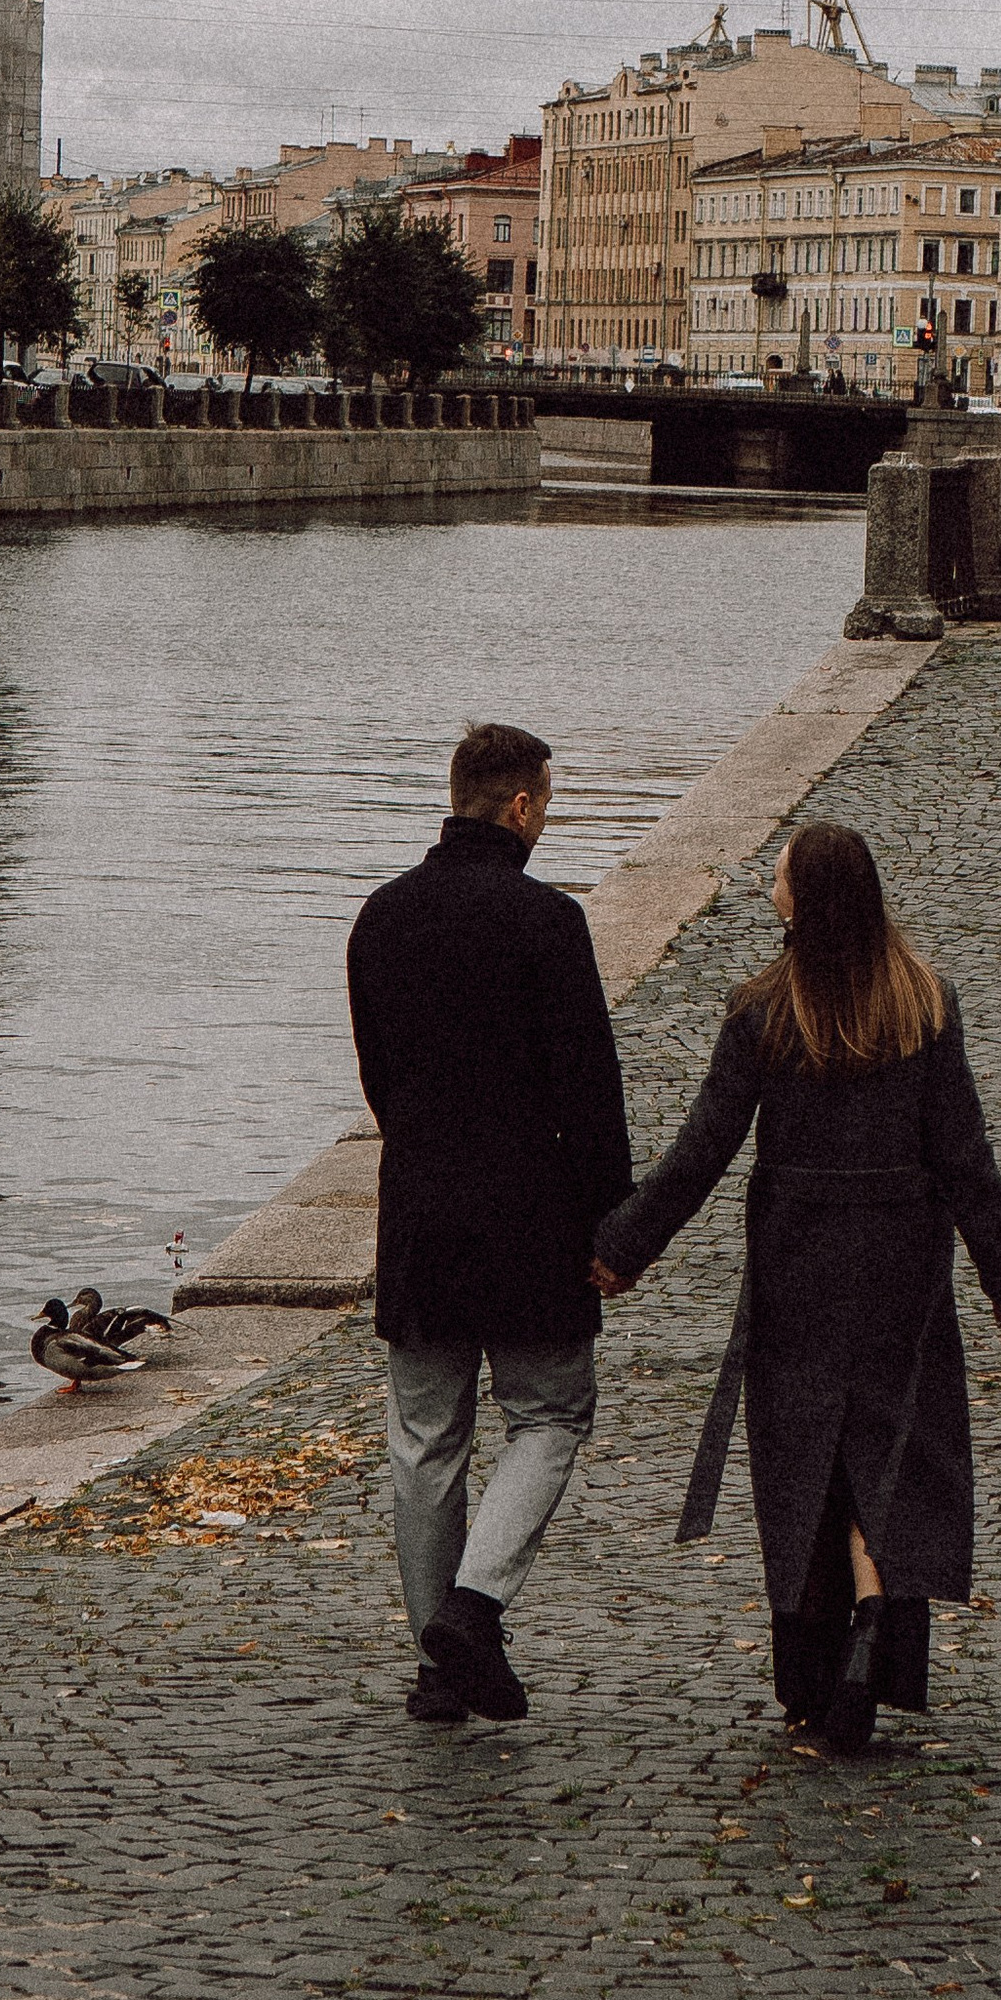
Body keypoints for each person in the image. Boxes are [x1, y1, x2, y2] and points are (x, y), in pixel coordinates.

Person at [589, 823, 1001, 1756]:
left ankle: (817, 1677)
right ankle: (876, 1627)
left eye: (780, 876)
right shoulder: (924, 1004)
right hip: (903, 1263)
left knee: (808, 1466)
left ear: (808, 897)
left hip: (799, 1265)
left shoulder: (763, 1012)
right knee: (887, 1447)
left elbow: (701, 1152)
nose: (769, 887)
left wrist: (625, 1246)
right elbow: (964, 1153)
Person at [348, 722, 632, 1727]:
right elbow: (589, 1093)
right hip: (530, 1217)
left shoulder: (379, 919)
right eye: (545, 803)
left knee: (425, 1438)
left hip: (419, 1215)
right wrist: (612, 1227)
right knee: (549, 1415)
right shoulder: (547, 922)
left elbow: (379, 1080)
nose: (546, 818)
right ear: (518, 806)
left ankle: (438, 1668)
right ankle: (472, 1612)